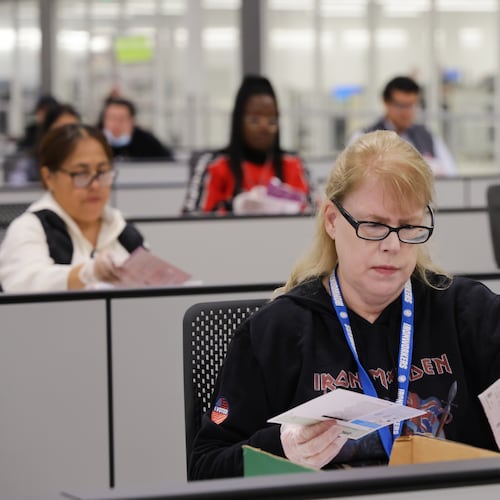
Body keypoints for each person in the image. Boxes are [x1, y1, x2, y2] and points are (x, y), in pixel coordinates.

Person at [189, 130, 500, 480]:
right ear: (333, 220)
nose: (392, 246)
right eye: (374, 225)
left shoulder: (470, 313)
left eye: (409, 226)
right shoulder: (276, 332)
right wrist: (281, 447)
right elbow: (206, 467)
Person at [0, 123, 145, 292]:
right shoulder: (29, 228)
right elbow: (24, 284)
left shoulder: (125, 231)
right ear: (48, 177)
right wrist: (86, 274)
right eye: (81, 174)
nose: (95, 185)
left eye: (103, 171)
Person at [181, 75, 312, 214]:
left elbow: (317, 216)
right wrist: (232, 206)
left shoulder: (294, 164)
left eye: (272, 120)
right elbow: (190, 218)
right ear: (238, 121)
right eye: (254, 120)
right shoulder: (215, 165)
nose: (264, 127)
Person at [350, 76, 457, 177]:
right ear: (386, 103)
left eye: (412, 105)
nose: (407, 112)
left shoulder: (427, 136)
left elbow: (450, 173)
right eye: (401, 106)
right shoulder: (364, 137)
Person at [100, 97, 174, 161]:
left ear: (132, 121)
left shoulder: (147, 142)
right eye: (112, 118)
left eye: (121, 119)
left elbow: (169, 163)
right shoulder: (94, 141)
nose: (116, 124)